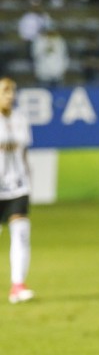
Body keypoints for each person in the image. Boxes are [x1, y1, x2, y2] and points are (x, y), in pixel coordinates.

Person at [0, 77, 34, 304]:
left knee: (21, 233)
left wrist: (29, 179)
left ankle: (18, 285)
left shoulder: (21, 118)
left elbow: (24, 152)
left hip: (18, 186)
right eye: (5, 91)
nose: (10, 95)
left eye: (12, 91)